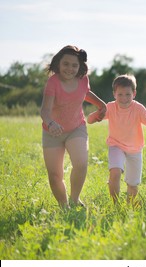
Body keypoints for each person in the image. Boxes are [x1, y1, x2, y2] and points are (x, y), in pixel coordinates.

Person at [40, 45, 106, 208]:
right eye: (66, 64)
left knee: (81, 163)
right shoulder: (53, 82)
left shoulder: (83, 79)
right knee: (55, 175)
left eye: (74, 65)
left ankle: (75, 199)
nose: (70, 68)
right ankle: (64, 206)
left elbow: (85, 93)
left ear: (80, 67)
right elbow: (45, 111)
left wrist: (101, 104)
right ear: (58, 64)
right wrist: (51, 123)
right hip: (52, 132)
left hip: (76, 128)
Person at [88, 74, 146, 205]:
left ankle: (129, 206)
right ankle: (115, 205)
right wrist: (97, 114)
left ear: (134, 93)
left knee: (132, 183)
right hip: (116, 145)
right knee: (115, 172)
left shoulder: (138, 108)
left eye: (127, 94)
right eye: (120, 94)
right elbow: (90, 120)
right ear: (114, 94)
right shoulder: (110, 107)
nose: (124, 98)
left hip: (135, 149)